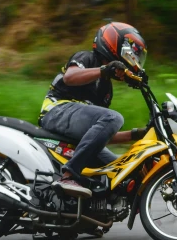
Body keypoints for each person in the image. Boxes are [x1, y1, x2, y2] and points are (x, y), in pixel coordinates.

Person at [39, 22, 149, 198]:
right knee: (114, 118)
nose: (134, 58)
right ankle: (68, 176)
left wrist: (137, 134)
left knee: (122, 171)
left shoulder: (106, 90)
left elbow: (98, 134)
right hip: (56, 111)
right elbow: (70, 77)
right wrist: (104, 70)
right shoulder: (87, 58)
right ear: (115, 44)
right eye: (133, 52)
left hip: (74, 131)